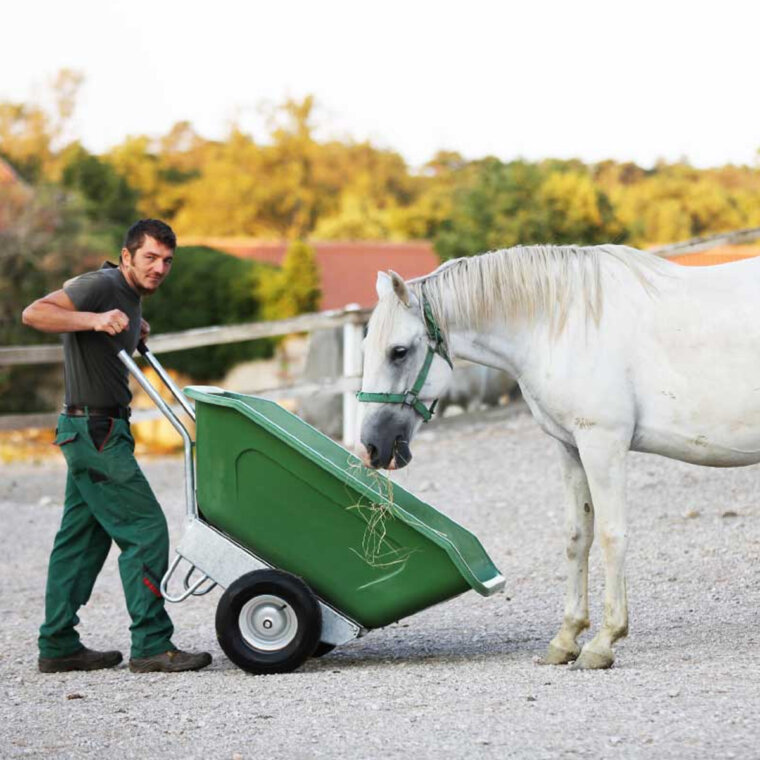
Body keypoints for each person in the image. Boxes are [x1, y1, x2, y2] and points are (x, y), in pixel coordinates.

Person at [22, 219, 212, 674]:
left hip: (99, 429)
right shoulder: (102, 284)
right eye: (150, 257)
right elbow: (35, 313)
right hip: (96, 431)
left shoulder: (125, 295)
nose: (160, 267)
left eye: (167, 260)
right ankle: (151, 643)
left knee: (80, 542)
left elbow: (105, 320)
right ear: (127, 256)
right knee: (145, 530)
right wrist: (94, 318)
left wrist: (130, 326)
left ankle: (58, 644)